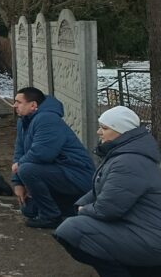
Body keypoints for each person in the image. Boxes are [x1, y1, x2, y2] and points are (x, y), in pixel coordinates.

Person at [54, 106, 161, 277]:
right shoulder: (125, 155)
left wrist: (84, 210)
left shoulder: (129, 162)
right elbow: (102, 189)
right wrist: (81, 205)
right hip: (141, 230)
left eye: (105, 128)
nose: (98, 132)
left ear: (121, 132)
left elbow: (108, 209)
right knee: (75, 226)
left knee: (73, 230)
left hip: (151, 240)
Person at [11, 87, 96, 228]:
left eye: (18, 102)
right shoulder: (24, 121)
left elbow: (43, 153)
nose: (14, 105)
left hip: (77, 175)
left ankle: (51, 217)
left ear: (33, 105)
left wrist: (19, 166)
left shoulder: (47, 119)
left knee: (26, 169)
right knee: (29, 210)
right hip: (59, 173)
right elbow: (20, 150)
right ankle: (72, 209)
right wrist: (17, 182)